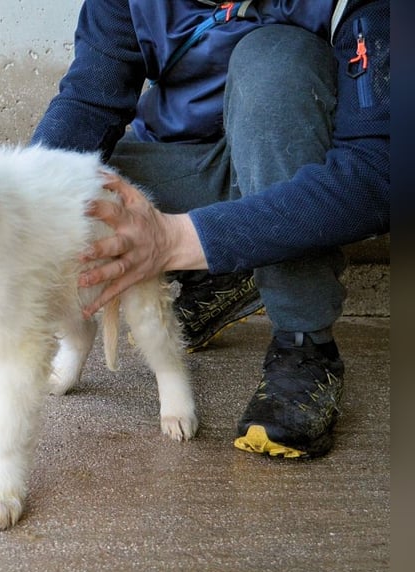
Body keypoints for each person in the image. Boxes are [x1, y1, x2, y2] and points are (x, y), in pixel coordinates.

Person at [31, 0, 390, 458]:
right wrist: (27, 205)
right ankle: (232, 263)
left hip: (299, 164)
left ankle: (304, 343)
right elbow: (88, 103)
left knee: (275, 57)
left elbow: (381, 172)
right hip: (193, 163)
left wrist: (174, 241)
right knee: (81, 183)